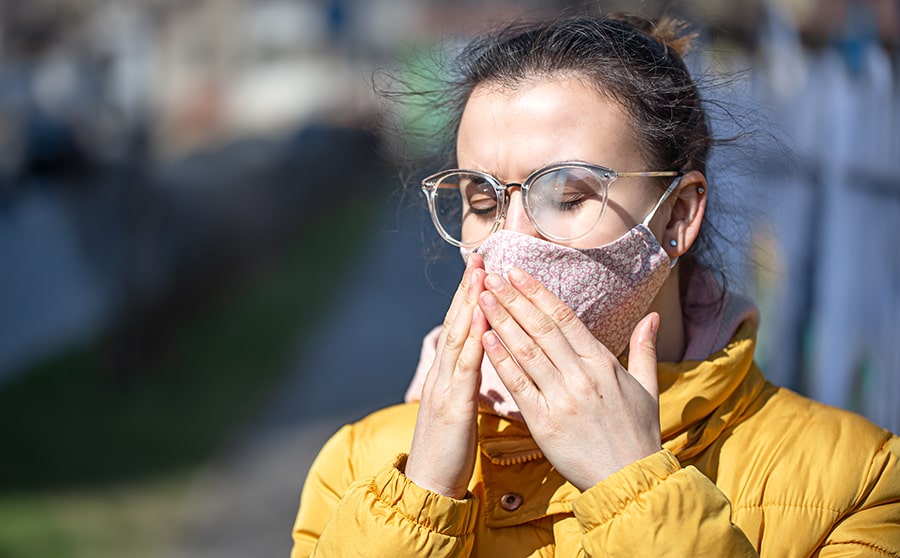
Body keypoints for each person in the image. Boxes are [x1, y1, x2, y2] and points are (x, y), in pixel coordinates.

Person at [290, 13, 900, 557]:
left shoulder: (860, 481)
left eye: (567, 196)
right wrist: (422, 497)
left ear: (678, 215)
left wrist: (634, 488)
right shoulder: (359, 469)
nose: (512, 242)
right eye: (482, 199)